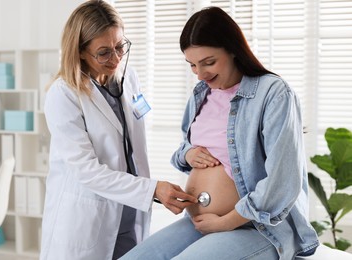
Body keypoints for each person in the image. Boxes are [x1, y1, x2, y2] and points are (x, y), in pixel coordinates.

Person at [120, 6, 319, 260]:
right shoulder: (201, 94)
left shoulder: (274, 93)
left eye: (208, 62)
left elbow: (282, 181)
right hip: (202, 223)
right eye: (192, 65)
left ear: (233, 49)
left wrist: (225, 222)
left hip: (257, 227)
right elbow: (185, 148)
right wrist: (189, 153)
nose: (201, 75)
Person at [39, 1, 197, 259]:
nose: (116, 58)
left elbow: (135, 143)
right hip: (87, 220)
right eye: (103, 52)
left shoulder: (128, 77)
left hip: (130, 213)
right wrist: (153, 189)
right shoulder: (64, 94)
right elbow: (86, 172)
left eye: (120, 46)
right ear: (79, 51)